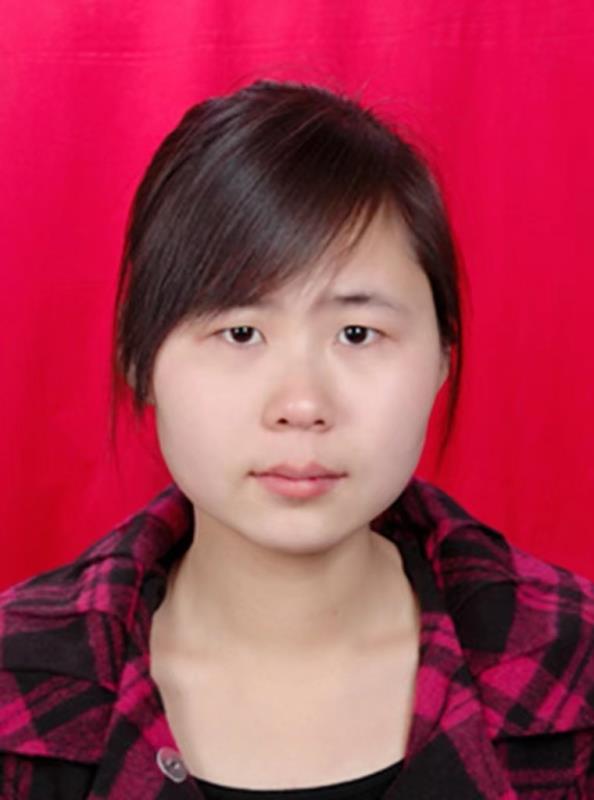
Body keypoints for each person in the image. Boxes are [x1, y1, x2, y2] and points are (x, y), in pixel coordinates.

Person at [1, 79, 593, 800]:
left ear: (443, 356)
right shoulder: (18, 681)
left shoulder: (573, 665)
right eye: (240, 332)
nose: (303, 405)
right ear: (139, 359)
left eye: (357, 333)